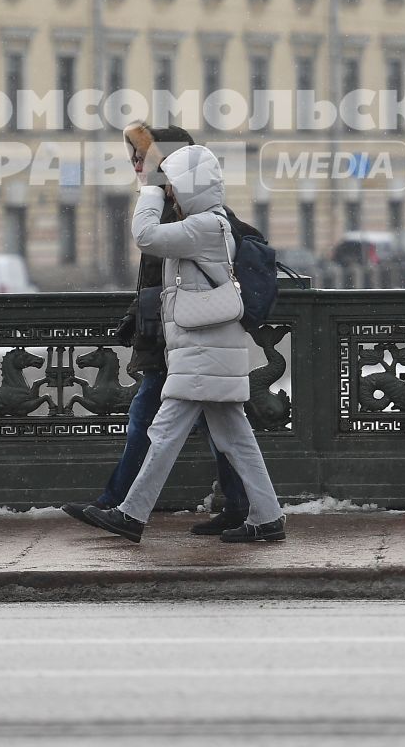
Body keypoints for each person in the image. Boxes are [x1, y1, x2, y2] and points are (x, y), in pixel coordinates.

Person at [75, 140, 285, 545]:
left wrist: (149, 189)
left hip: (203, 352)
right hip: (203, 349)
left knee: (164, 434)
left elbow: (145, 235)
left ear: (190, 185)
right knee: (237, 440)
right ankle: (269, 516)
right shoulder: (210, 223)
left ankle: (131, 514)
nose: (169, 191)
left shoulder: (205, 227)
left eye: (173, 184)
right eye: (166, 185)